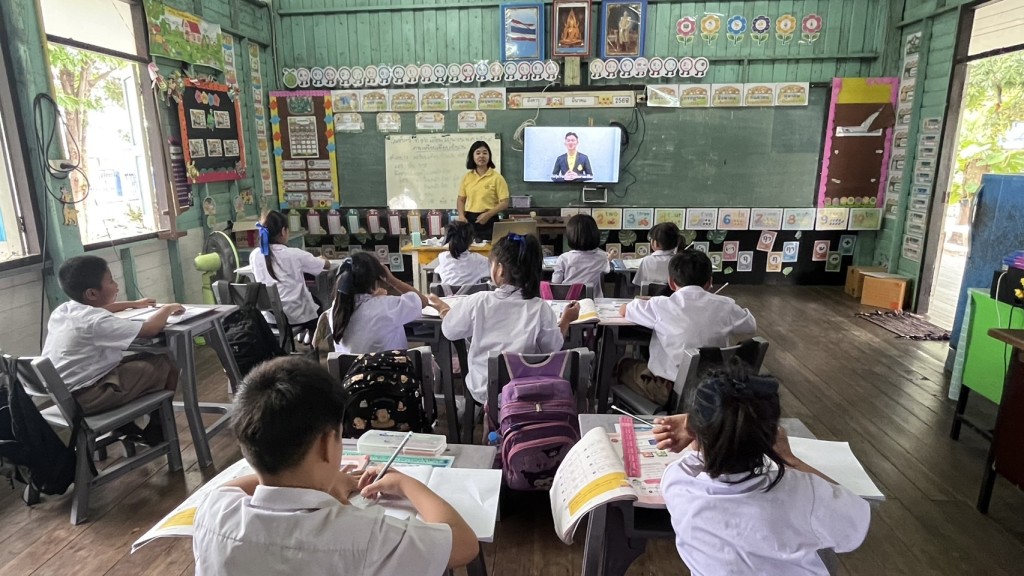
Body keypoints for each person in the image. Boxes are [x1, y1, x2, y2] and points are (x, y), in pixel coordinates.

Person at [193, 357, 479, 574]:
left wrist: (322, 483)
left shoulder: (214, 511)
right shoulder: (365, 536)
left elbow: (230, 487)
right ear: (325, 444)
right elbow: (464, 545)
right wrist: (406, 484)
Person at [654, 364, 871, 575]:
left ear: (694, 432)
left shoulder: (678, 483)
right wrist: (790, 459)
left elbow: (700, 453)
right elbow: (855, 525)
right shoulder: (805, 492)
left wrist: (698, 424)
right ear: (772, 436)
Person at [42, 255, 183, 445]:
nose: (116, 285)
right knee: (168, 362)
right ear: (92, 293)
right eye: (110, 281)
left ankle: (124, 425)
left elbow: (105, 309)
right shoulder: (96, 322)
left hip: (64, 396)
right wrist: (167, 309)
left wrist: (134, 304)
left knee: (140, 360)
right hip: (89, 398)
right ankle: (158, 426)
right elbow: (150, 329)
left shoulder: (64, 310)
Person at [429, 233, 579, 404]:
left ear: (499, 269)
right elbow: (552, 347)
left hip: (484, 389)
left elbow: (450, 331)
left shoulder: (479, 301)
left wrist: (443, 309)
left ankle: (488, 414)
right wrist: (566, 320)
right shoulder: (540, 307)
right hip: (524, 390)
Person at [617, 250, 756, 406]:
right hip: (716, 389)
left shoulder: (660, 305)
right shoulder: (726, 305)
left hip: (671, 391)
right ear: (710, 282)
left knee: (623, 365)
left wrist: (649, 300)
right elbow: (751, 325)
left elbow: (624, 310)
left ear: (671, 282)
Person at [329, 252, 429, 355]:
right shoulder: (387, 307)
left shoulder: (336, 308)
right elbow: (423, 301)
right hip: (390, 364)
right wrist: (392, 280)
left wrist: (374, 296)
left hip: (351, 365)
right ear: (376, 280)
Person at [249, 210, 330, 334]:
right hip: (296, 316)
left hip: (269, 318)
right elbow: (326, 265)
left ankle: (304, 337)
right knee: (317, 307)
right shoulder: (294, 254)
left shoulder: (255, 255)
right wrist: (322, 258)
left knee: (313, 303)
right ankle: (313, 343)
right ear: (283, 231)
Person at [457, 140, 509, 241]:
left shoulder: (497, 177)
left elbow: (505, 202)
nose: (481, 156)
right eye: (478, 153)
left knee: (489, 248)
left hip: (490, 219)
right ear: (472, 156)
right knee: (470, 247)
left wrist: (488, 215)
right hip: (470, 220)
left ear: (489, 156)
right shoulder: (467, 177)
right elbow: (461, 200)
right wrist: (461, 216)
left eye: (485, 153)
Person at [551, 214, 610, 298]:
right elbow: (606, 269)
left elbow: (555, 284)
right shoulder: (602, 257)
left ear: (570, 235)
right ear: (595, 234)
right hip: (592, 301)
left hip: (568, 301)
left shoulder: (563, 259)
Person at [435, 220, 491, 286]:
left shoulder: (443, 257)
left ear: (448, 239)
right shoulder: (478, 259)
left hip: (447, 293)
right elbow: (495, 270)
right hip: (474, 293)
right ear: (471, 240)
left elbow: (437, 271)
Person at [632, 222, 681, 291]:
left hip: (650, 296)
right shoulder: (680, 261)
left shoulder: (647, 260)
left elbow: (638, 284)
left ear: (655, 243)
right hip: (673, 296)